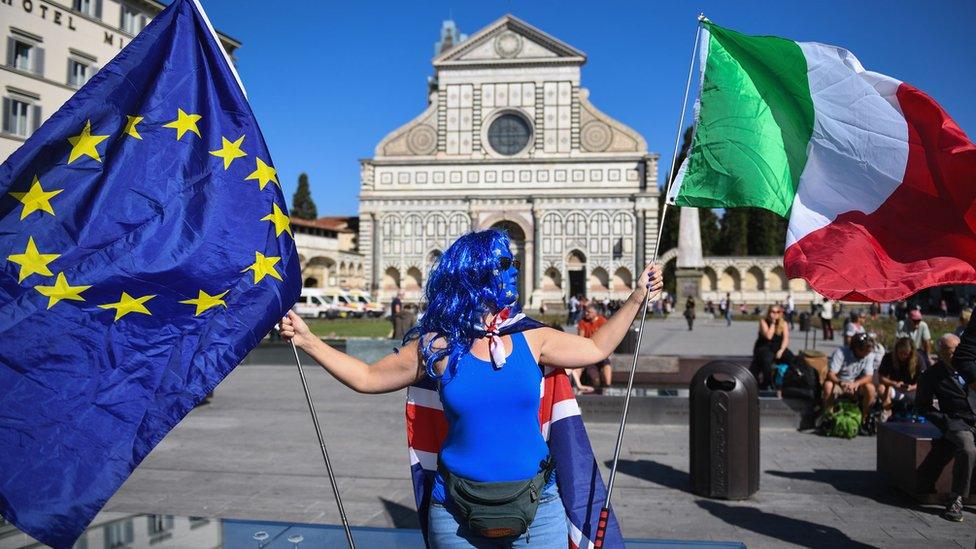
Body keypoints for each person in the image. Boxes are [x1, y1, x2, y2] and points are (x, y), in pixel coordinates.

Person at [279, 229, 663, 546]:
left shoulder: (533, 339)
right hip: (456, 513)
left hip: (538, 508)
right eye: (503, 264)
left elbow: (596, 347)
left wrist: (636, 297)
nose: (513, 272)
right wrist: (310, 340)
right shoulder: (438, 347)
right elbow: (366, 377)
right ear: (472, 274)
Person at [916, 333, 970, 522]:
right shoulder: (932, 375)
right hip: (956, 421)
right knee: (967, 448)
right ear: (942, 352)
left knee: (949, 448)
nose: (957, 353)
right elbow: (922, 406)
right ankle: (956, 497)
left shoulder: (969, 366)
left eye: (959, 348)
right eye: (952, 350)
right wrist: (945, 421)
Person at [824, 333, 880, 435]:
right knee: (828, 385)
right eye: (864, 351)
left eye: (868, 352)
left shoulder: (869, 355)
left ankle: (863, 418)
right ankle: (829, 417)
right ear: (856, 348)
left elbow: (869, 376)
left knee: (870, 388)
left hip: (855, 383)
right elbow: (831, 374)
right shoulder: (841, 352)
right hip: (839, 381)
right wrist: (841, 383)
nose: (866, 354)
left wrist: (856, 384)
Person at [878, 337, 929, 418]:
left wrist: (912, 387)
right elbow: (881, 377)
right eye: (900, 353)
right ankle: (887, 410)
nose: (903, 356)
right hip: (894, 388)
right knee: (881, 387)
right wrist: (893, 383)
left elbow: (925, 380)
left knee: (925, 392)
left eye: (906, 353)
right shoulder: (888, 357)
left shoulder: (918, 359)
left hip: (912, 390)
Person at [750, 305, 793, 390]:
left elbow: (786, 339)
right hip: (764, 346)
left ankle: (790, 381)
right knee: (767, 361)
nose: (775, 314)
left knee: (792, 359)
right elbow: (768, 336)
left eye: (777, 312)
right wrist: (773, 323)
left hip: (777, 347)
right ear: (769, 312)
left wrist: (782, 350)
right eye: (773, 312)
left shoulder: (783, 323)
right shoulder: (763, 321)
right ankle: (767, 383)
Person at [577, 305, 613, 392]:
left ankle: (608, 386)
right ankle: (576, 384)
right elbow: (581, 338)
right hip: (589, 352)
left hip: (601, 351)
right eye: (586, 311)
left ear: (595, 313)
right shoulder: (583, 322)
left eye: (589, 312)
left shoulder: (602, 321)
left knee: (607, 364)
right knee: (594, 377)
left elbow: (607, 337)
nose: (586, 313)